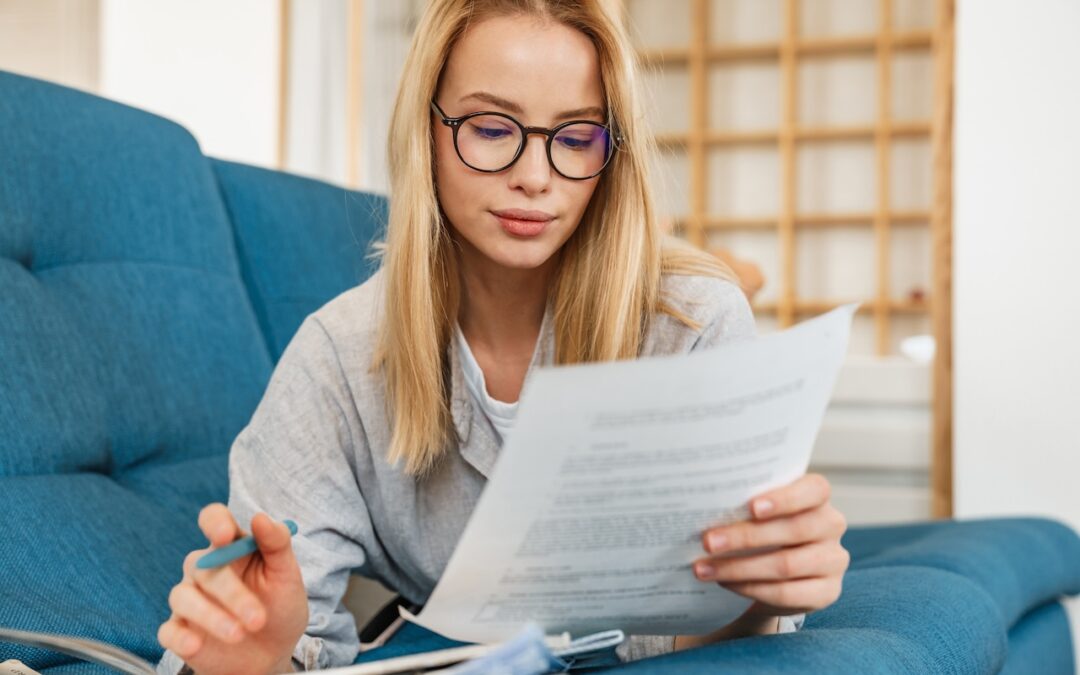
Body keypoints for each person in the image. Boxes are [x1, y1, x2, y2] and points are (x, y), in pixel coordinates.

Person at [155, 1, 849, 673]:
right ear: (425, 129)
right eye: (490, 128)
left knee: (718, 281)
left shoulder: (697, 325)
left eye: (576, 137)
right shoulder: (338, 357)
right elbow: (275, 630)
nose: (536, 177)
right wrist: (255, 657)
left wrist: (760, 597)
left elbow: (720, 633)